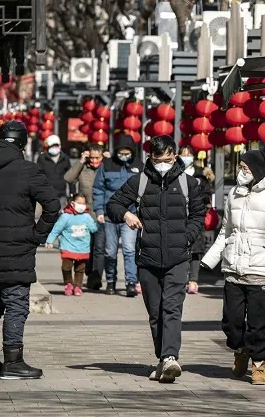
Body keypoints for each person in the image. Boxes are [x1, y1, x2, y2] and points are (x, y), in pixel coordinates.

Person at [0, 120, 61, 380]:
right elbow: (53, 206)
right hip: (19, 249)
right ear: (22, 143)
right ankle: (12, 363)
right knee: (16, 305)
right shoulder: (28, 170)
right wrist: (36, 236)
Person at [106, 135, 205, 383]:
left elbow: (198, 215)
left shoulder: (188, 183)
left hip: (178, 257)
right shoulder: (138, 182)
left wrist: (186, 238)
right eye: (160, 160)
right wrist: (127, 215)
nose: (165, 164)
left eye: (169, 159)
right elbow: (113, 205)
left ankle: (171, 357)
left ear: (175, 156)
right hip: (147, 257)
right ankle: (163, 360)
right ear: (151, 158)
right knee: (155, 312)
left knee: (171, 308)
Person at [203, 148, 265, 385]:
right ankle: (240, 349)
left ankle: (259, 363)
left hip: (261, 271)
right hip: (234, 268)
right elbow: (226, 230)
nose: (242, 172)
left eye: (246, 168)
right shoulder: (234, 193)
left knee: (257, 324)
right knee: (231, 322)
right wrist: (210, 259)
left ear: (258, 170)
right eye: (241, 168)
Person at [94, 134, 144, 297]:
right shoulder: (107, 165)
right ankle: (110, 281)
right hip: (110, 216)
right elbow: (99, 188)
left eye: (127, 152)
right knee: (110, 251)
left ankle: (131, 282)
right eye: (121, 152)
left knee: (129, 249)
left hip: (131, 215)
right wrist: (99, 211)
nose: (124, 155)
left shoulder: (139, 166)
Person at [65, 144, 106, 290]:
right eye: (92, 157)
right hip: (84, 215)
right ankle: (86, 272)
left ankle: (95, 278)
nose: (94, 161)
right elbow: (69, 178)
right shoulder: (84, 169)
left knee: (99, 248)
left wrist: (110, 161)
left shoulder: (106, 168)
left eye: (98, 158)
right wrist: (81, 161)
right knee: (85, 247)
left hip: (101, 214)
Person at [46, 193, 99, 297]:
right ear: (73, 203)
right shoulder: (66, 216)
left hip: (82, 248)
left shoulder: (87, 217)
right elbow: (56, 229)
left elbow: (93, 229)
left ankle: (78, 286)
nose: (82, 206)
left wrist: (98, 223)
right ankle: (68, 284)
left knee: (80, 269)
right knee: (66, 267)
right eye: (79, 203)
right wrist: (50, 241)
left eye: (83, 204)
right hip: (67, 247)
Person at [179, 145, 214, 295]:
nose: (186, 156)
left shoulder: (200, 174)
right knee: (180, 248)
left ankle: (193, 280)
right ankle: (180, 279)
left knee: (196, 249)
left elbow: (208, 193)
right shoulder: (175, 172)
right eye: (183, 154)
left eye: (188, 154)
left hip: (196, 215)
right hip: (179, 215)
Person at [37, 135, 72, 205]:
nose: (54, 148)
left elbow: (70, 176)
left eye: (56, 145)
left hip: (61, 195)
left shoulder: (65, 158)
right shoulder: (42, 158)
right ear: (48, 147)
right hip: (46, 194)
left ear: (60, 146)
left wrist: (72, 193)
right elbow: (38, 176)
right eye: (52, 146)